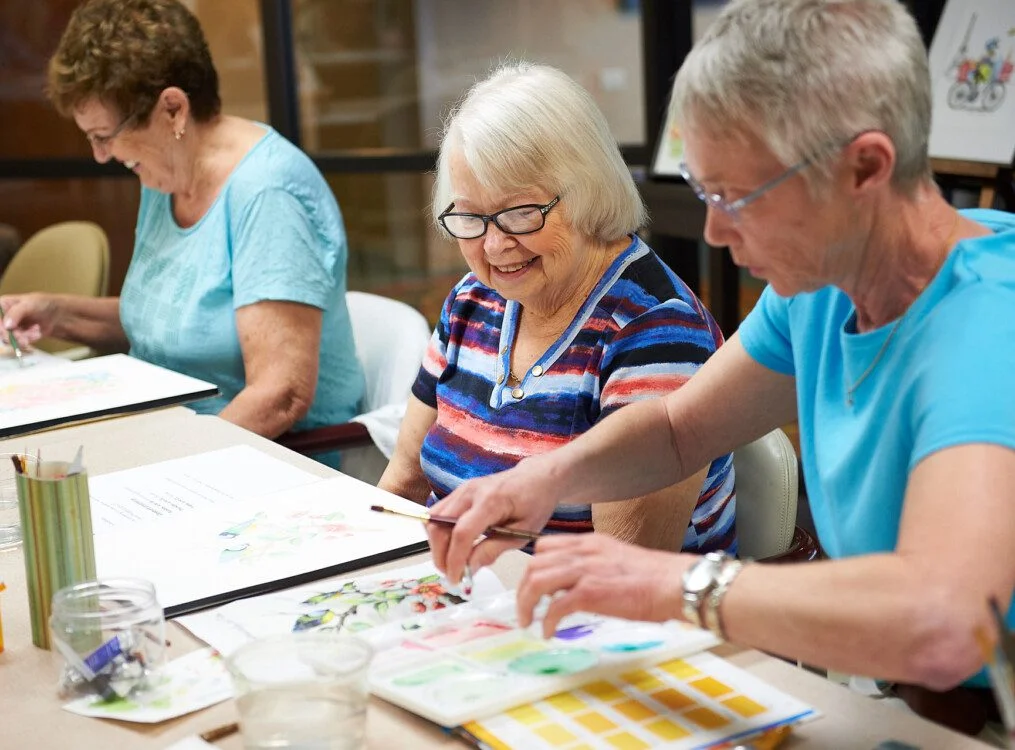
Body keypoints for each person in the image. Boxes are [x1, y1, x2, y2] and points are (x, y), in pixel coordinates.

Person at [426, 0, 1015, 738]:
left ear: (865, 167)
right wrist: (542, 479)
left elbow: (945, 621)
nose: (712, 230)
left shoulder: (991, 321)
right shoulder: (821, 287)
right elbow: (678, 428)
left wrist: (674, 582)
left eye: (737, 197)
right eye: (705, 192)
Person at [378, 62, 735, 554]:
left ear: (589, 189)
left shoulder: (655, 329)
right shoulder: (471, 301)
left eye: (522, 212)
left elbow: (622, 572)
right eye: (470, 217)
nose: (495, 244)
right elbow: (403, 485)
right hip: (468, 598)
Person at [2, 0, 363, 445]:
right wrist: (61, 314)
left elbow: (279, 395)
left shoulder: (268, 193)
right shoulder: (164, 177)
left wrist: (172, 466)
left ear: (172, 109)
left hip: (267, 456)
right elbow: (173, 319)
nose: (101, 156)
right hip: (168, 434)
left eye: (104, 137)